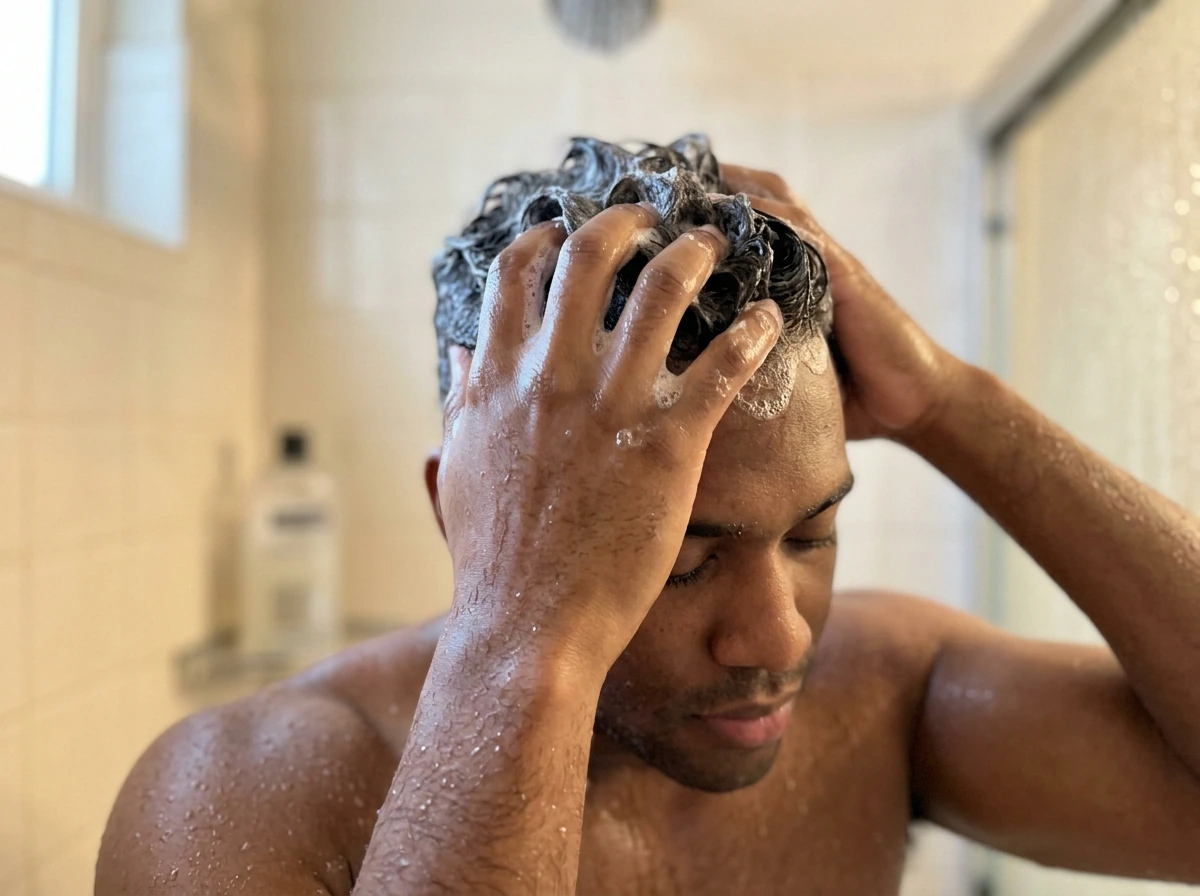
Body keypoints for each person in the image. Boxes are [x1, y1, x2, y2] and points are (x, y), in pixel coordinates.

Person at [96, 137, 1200, 896]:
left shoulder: (882, 699)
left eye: (813, 534)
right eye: (676, 559)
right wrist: (524, 643)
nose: (779, 635)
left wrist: (951, 406)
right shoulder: (245, 792)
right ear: (468, 513)